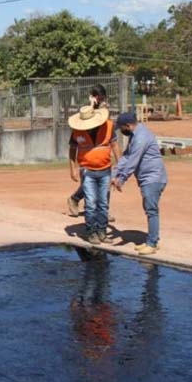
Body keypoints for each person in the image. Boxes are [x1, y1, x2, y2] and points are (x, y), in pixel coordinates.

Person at [111, 112, 167, 255]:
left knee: (151, 210)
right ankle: (150, 240)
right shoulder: (135, 135)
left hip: (153, 178)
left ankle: (152, 244)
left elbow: (133, 161)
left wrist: (122, 179)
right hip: (146, 178)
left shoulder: (141, 137)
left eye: (121, 128)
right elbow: (126, 157)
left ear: (128, 125)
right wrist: (114, 173)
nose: (121, 131)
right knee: (149, 208)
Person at [68, 104, 118, 245]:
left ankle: (102, 232)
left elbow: (115, 145)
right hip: (87, 171)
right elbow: (72, 149)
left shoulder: (108, 126)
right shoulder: (77, 130)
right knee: (90, 203)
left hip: (105, 170)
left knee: (103, 203)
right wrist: (73, 168)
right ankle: (91, 232)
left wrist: (120, 168)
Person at [67, 85, 110, 217]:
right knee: (89, 187)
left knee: (104, 186)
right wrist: (73, 168)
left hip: (103, 161)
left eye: (102, 98)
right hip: (86, 162)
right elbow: (72, 147)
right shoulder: (84, 115)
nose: (100, 101)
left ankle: (102, 212)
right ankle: (78, 201)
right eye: (98, 98)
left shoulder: (103, 113)